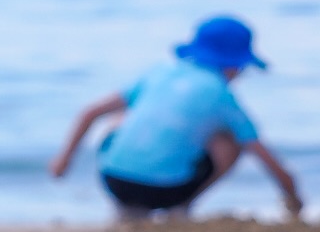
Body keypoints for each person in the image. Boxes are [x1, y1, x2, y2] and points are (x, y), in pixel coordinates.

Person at [50, 16, 303, 221]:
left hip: (114, 182)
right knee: (230, 141)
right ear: (234, 66)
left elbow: (90, 113)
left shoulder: (160, 73)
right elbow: (261, 153)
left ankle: (126, 208)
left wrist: (64, 161)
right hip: (165, 191)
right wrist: (292, 196)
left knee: (120, 118)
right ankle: (180, 207)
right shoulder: (221, 95)